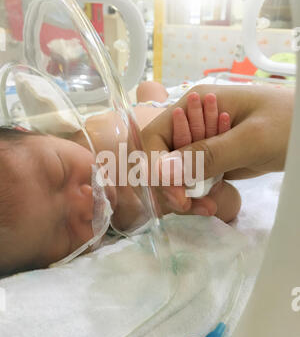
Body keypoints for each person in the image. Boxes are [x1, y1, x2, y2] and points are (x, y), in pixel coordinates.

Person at [0, 88, 238, 276]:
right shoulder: (136, 216)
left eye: (60, 173)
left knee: (150, 91)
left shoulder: (79, 134)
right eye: (63, 229)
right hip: (198, 141)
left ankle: (153, 94)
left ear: (36, 133)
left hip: (160, 107)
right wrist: (210, 188)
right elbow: (233, 204)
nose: (85, 201)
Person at [141, 82, 294, 214]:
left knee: (147, 87)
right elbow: (232, 204)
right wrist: (209, 186)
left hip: (163, 108)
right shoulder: (142, 201)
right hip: (185, 131)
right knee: (151, 88)